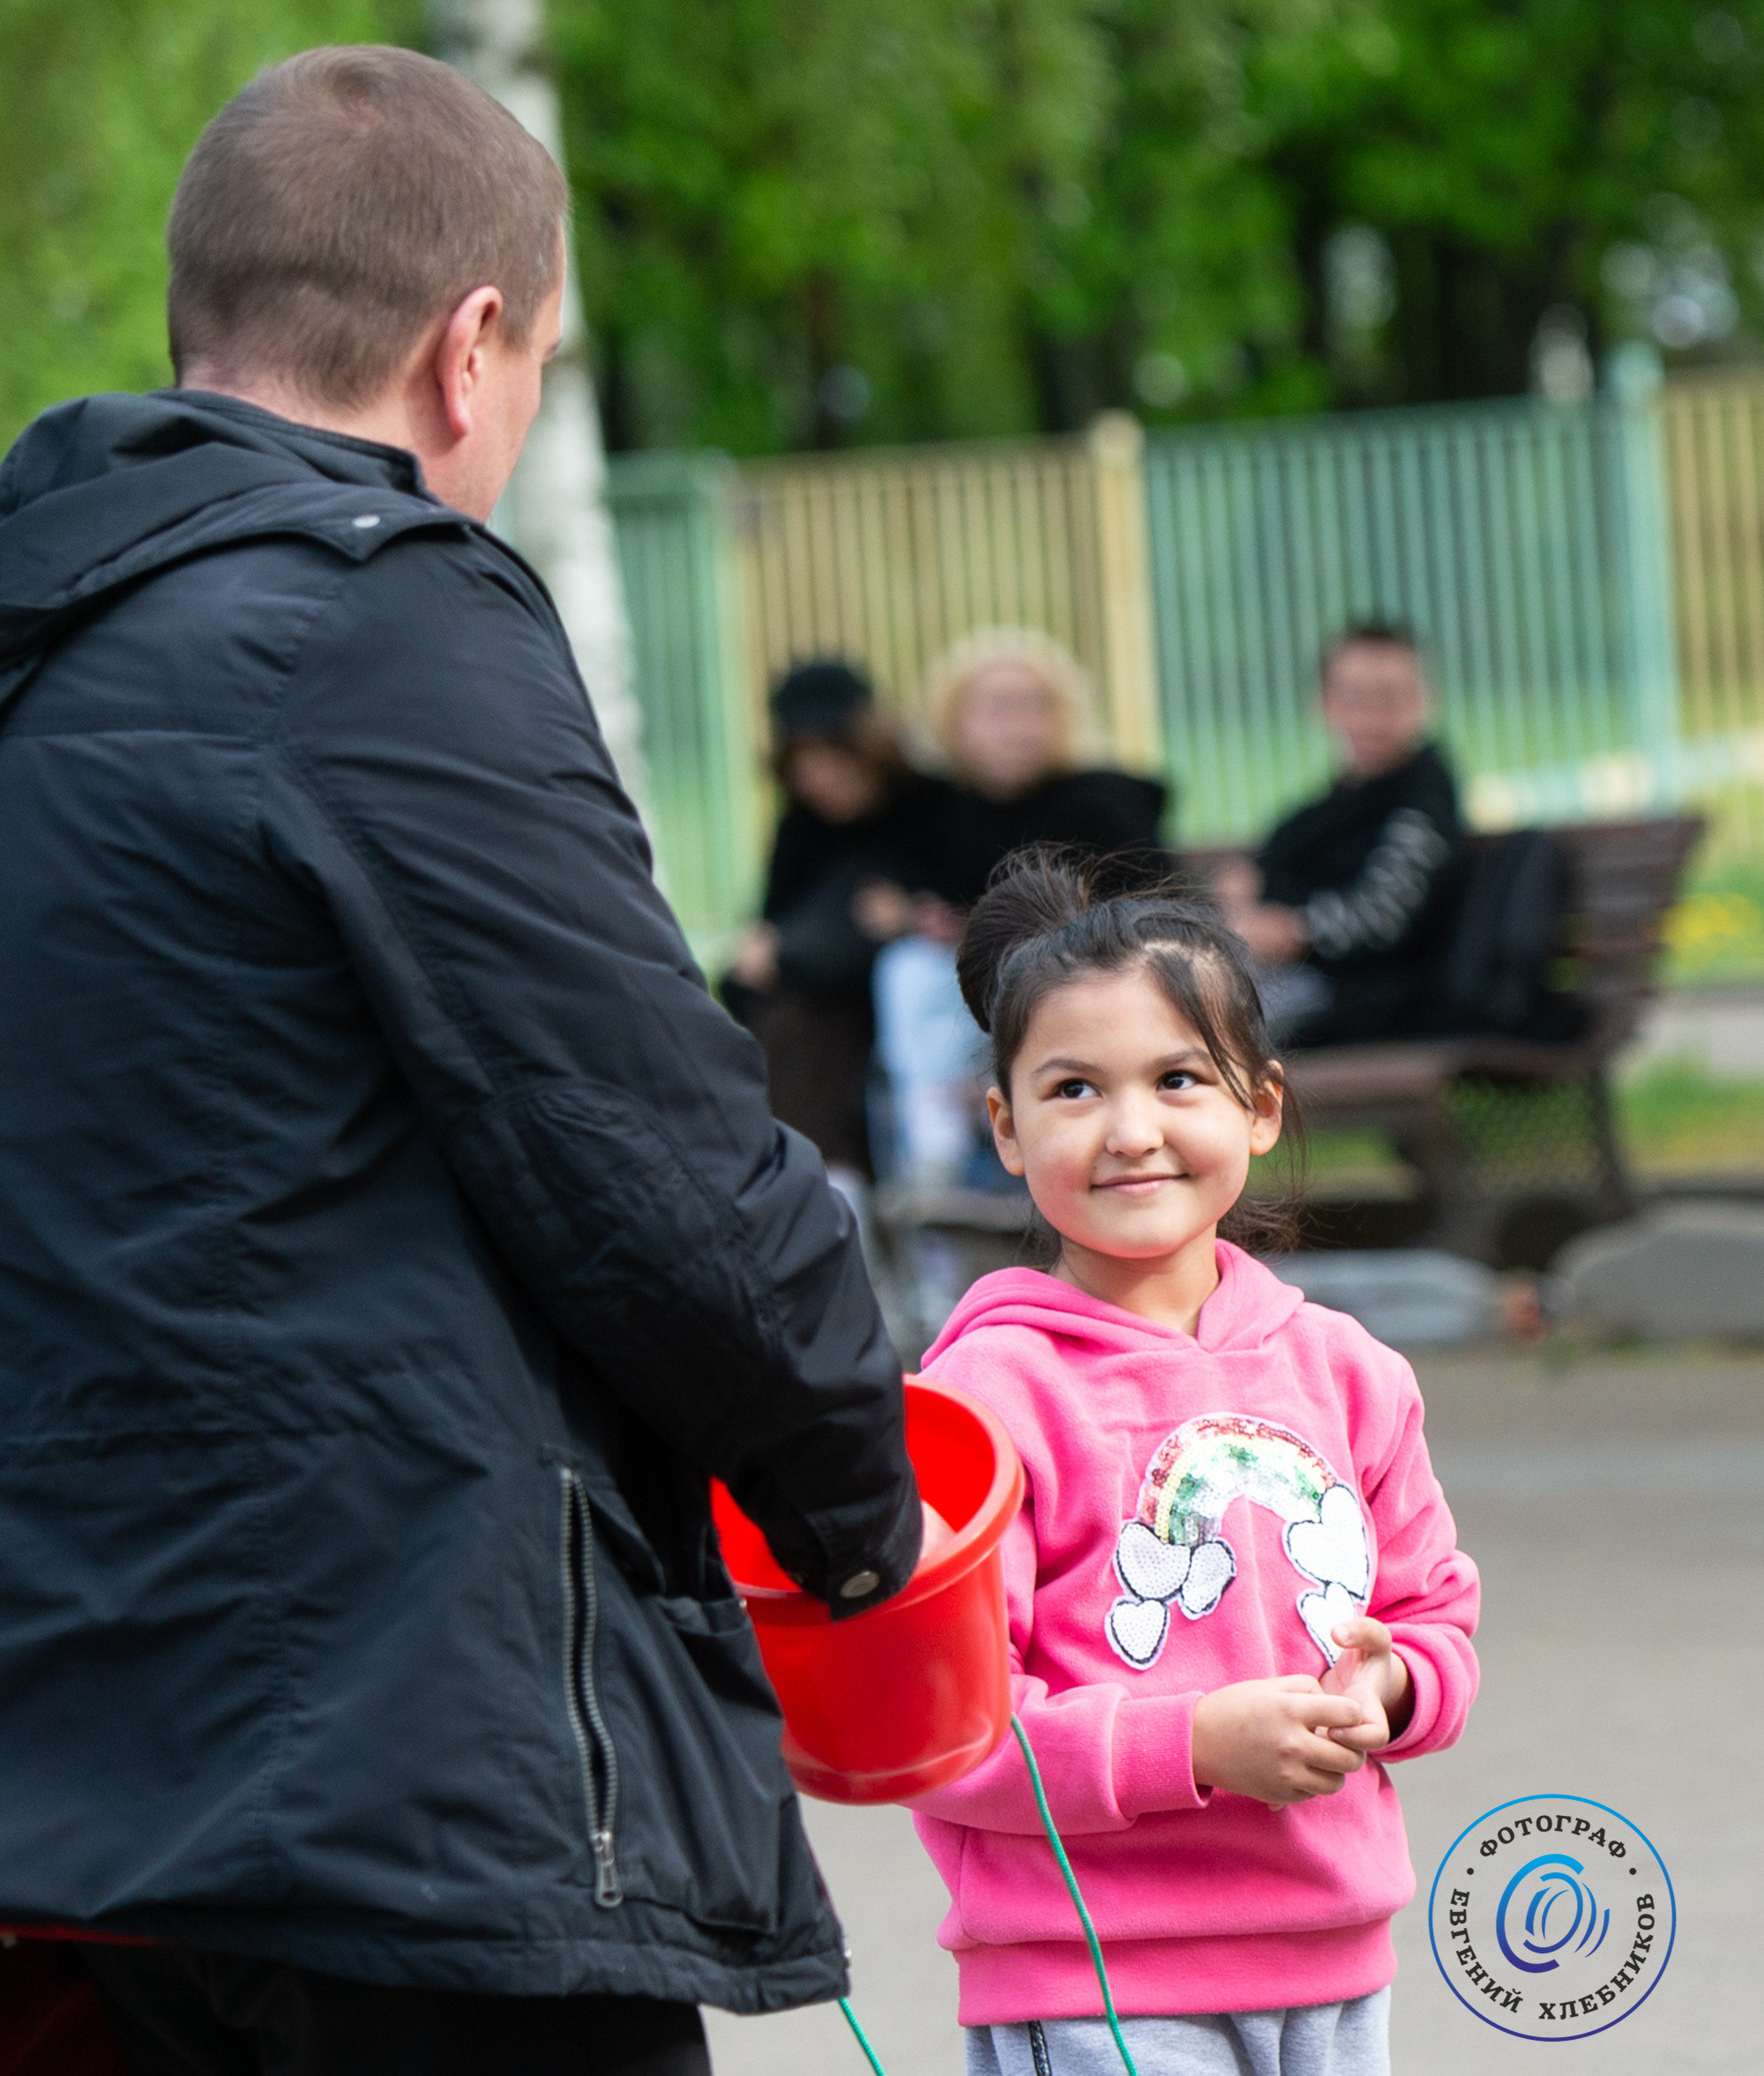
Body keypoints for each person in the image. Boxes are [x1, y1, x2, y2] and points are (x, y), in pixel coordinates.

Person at [0, 47, 921, 2076]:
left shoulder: (43, 632)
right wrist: (865, 1495)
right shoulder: (372, 615)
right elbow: (647, 1151)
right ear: (468, 343)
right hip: (374, 1749)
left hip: (68, 1777)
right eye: (543, 372)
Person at [908, 851, 1479, 2075]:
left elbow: (1438, 1621)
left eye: (1177, 1077)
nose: (1132, 1130)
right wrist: (1195, 1746)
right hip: (1098, 1982)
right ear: (1003, 1126)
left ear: (1260, 1107)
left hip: (1335, 1965)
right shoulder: (981, 1399)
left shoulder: (1348, 1370)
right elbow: (949, 1732)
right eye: (1072, 1088)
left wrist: (1390, 1691)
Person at [869, 628, 1168, 1183]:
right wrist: (917, 917)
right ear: (954, 720)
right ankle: (937, 1160)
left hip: (1092, 991)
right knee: (909, 969)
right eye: (998, 708)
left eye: (1036, 707)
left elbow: (1147, 912)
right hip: (963, 1008)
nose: (1019, 725)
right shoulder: (934, 812)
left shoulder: (1103, 801)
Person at [722, 660, 939, 1192]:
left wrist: (909, 915)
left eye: (836, 761)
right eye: (807, 766)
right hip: (816, 995)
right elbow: (772, 923)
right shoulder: (801, 826)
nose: (823, 780)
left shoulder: (933, 807)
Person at [1219, 622, 1462, 1047]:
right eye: (1355, 698)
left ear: (1424, 701)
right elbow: (1261, 865)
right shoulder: (1336, 802)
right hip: (1294, 982)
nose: (1372, 715)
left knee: (1207, 1024)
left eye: (1390, 698)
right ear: (1326, 703)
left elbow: (1385, 915)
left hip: (1362, 997)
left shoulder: (1421, 805)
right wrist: (1242, 890)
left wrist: (1295, 931)